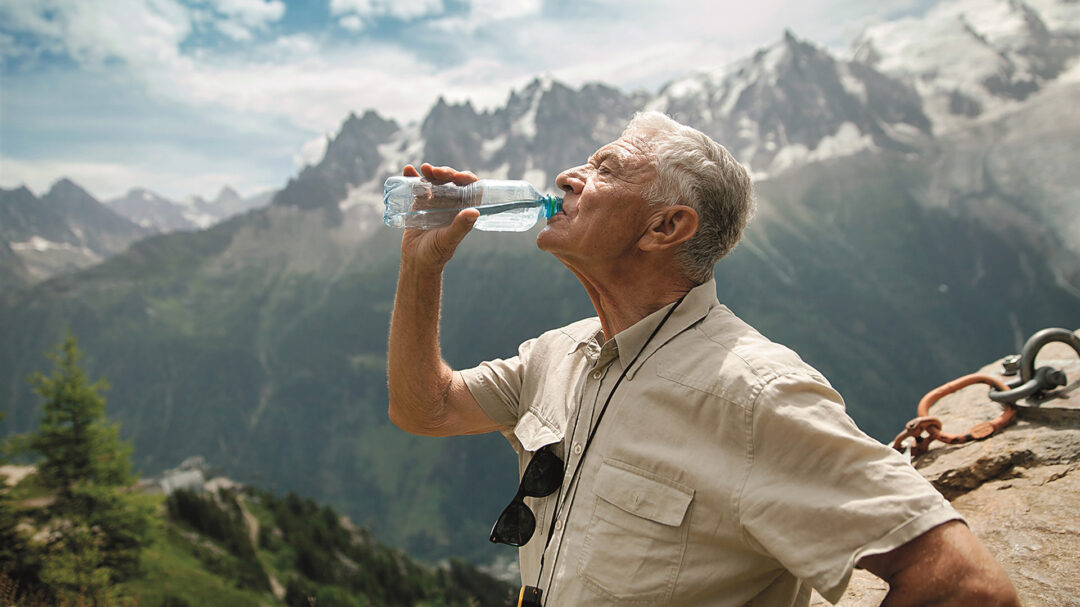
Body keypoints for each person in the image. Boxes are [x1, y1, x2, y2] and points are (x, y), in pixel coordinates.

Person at [387, 111, 1020, 606]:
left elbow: (963, 588)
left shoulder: (754, 395)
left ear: (664, 228)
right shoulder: (561, 353)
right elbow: (427, 408)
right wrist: (422, 267)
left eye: (605, 168)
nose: (566, 179)